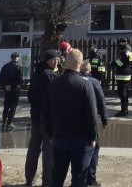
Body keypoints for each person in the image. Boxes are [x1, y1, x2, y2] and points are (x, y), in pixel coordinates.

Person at [42, 49, 99, 187]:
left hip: (59, 138)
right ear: (80, 64)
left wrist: (51, 134)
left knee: (57, 177)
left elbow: (45, 112)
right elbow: (91, 114)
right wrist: (93, 137)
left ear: (65, 63)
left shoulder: (53, 84)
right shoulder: (85, 84)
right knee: (79, 178)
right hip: (81, 139)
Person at [25, 49, 60, 187]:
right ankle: (48, 181)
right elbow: (55, 97)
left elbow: (30, 95)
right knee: (48, 151)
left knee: (33, 148)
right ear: (48, 61)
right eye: (54, 60)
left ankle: (29, 179)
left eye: (57, 59)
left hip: (35, 117)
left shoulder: (36, 74)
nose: (56, 61)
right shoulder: (50, 75)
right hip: (47, 119)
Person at [80, 60, 108, 187]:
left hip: (75, 121)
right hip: (91, 120)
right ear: (90, 70)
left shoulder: (75, 80)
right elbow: (101, 102)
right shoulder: (95, 82)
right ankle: (90, 179)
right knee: (94, 149)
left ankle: (79, 179)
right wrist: (104, 119)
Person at [0, 51, 23, 132]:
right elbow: (19, 79)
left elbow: (0, 79)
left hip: (7, 90)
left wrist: (5, 86)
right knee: (13, 106)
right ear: (17, 57)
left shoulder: (5, 66)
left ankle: (4, 121)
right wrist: (13, 86)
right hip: (15, 89)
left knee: (6, 105)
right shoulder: (18, 66)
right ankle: (9, 123)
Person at [112, 38, 132, 117]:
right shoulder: (130, 50)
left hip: (122, 75)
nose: (119, 45)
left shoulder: (124, 51)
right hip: (127, 74)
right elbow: (129, 62)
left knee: (122, 93)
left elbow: (120, 63)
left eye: (119, 43)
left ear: (122, 43)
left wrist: (113, 63)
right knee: (125, 92)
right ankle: (125, 109)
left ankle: (123, 111)